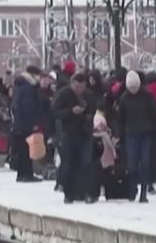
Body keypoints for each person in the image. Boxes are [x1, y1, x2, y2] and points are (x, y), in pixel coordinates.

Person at [52, 73, 98, 204]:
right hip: (68, 133)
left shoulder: (89, 95)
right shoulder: (63, 94)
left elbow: (93, 109)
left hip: (85, 133)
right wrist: (70, 112)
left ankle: (87, 192)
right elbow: (54, 112)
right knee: (68, 164)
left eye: (82, 86)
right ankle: (69, 193)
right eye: (77, 86)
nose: (80, 89)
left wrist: (88, 115)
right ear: (72, 84)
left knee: (86, 164)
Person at [118, 71, 156, 203]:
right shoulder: (124, 98)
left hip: (146, 133)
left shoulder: (148, 96)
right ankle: (132, 189)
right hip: (130, 133)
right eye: (131, 88)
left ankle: (143, 192)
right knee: (132, 164)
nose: (133, 90)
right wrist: (120, 134)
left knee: (145, 162)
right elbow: (120, 118)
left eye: (135, 87)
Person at [11, 66, 44, 182]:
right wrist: (34, 123)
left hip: (19, 123)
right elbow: (29, 107)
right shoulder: (28, 87)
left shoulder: (20, 85)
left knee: (22, 149)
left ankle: (22, 173)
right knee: (27, 149)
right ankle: (27, 173)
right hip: (26, 123)